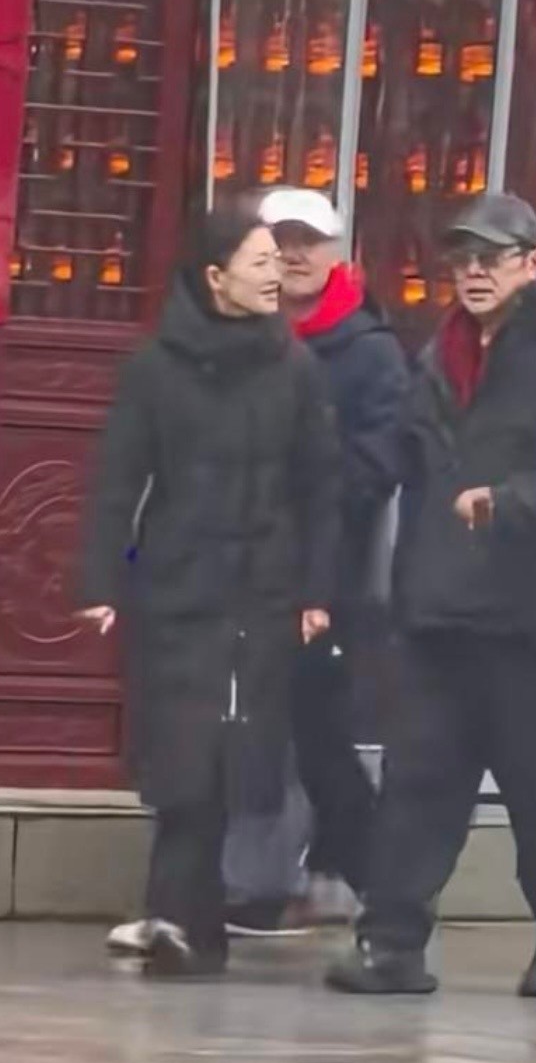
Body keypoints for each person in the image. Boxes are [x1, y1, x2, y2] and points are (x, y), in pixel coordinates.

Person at [325, 193, 536, 1000]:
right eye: (462, 258)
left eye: (491, 257)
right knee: (417, 784)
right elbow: (398, 456)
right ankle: (391, 944)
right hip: (435, 609)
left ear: (534, 262)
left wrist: (513, 502)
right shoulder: (440, 354)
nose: (473, 272)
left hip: (529, 616)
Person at [78, 203, 341, 978]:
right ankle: (178, 918)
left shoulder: (295, 367)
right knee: (182, 752)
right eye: (260, 260)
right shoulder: (155, 367)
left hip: (263, 590)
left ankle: (188, 924)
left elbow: (321, 487)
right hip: (178, 586)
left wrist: (317, 589)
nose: (276, 273)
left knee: (231, 753)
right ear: (216, 276)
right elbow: (118, 480)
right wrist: (100, 578)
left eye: (277, 260)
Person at [261, 187, 410, 917]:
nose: (295, 256)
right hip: (235, 561)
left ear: (337, 255)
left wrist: (303, 498)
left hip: (330, 572)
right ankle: (250, 879)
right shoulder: (229, 332)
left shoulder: (370, 351)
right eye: (281, 241)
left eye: (309, 242)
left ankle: (372, 874)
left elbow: (380, 459)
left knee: (316, 727)